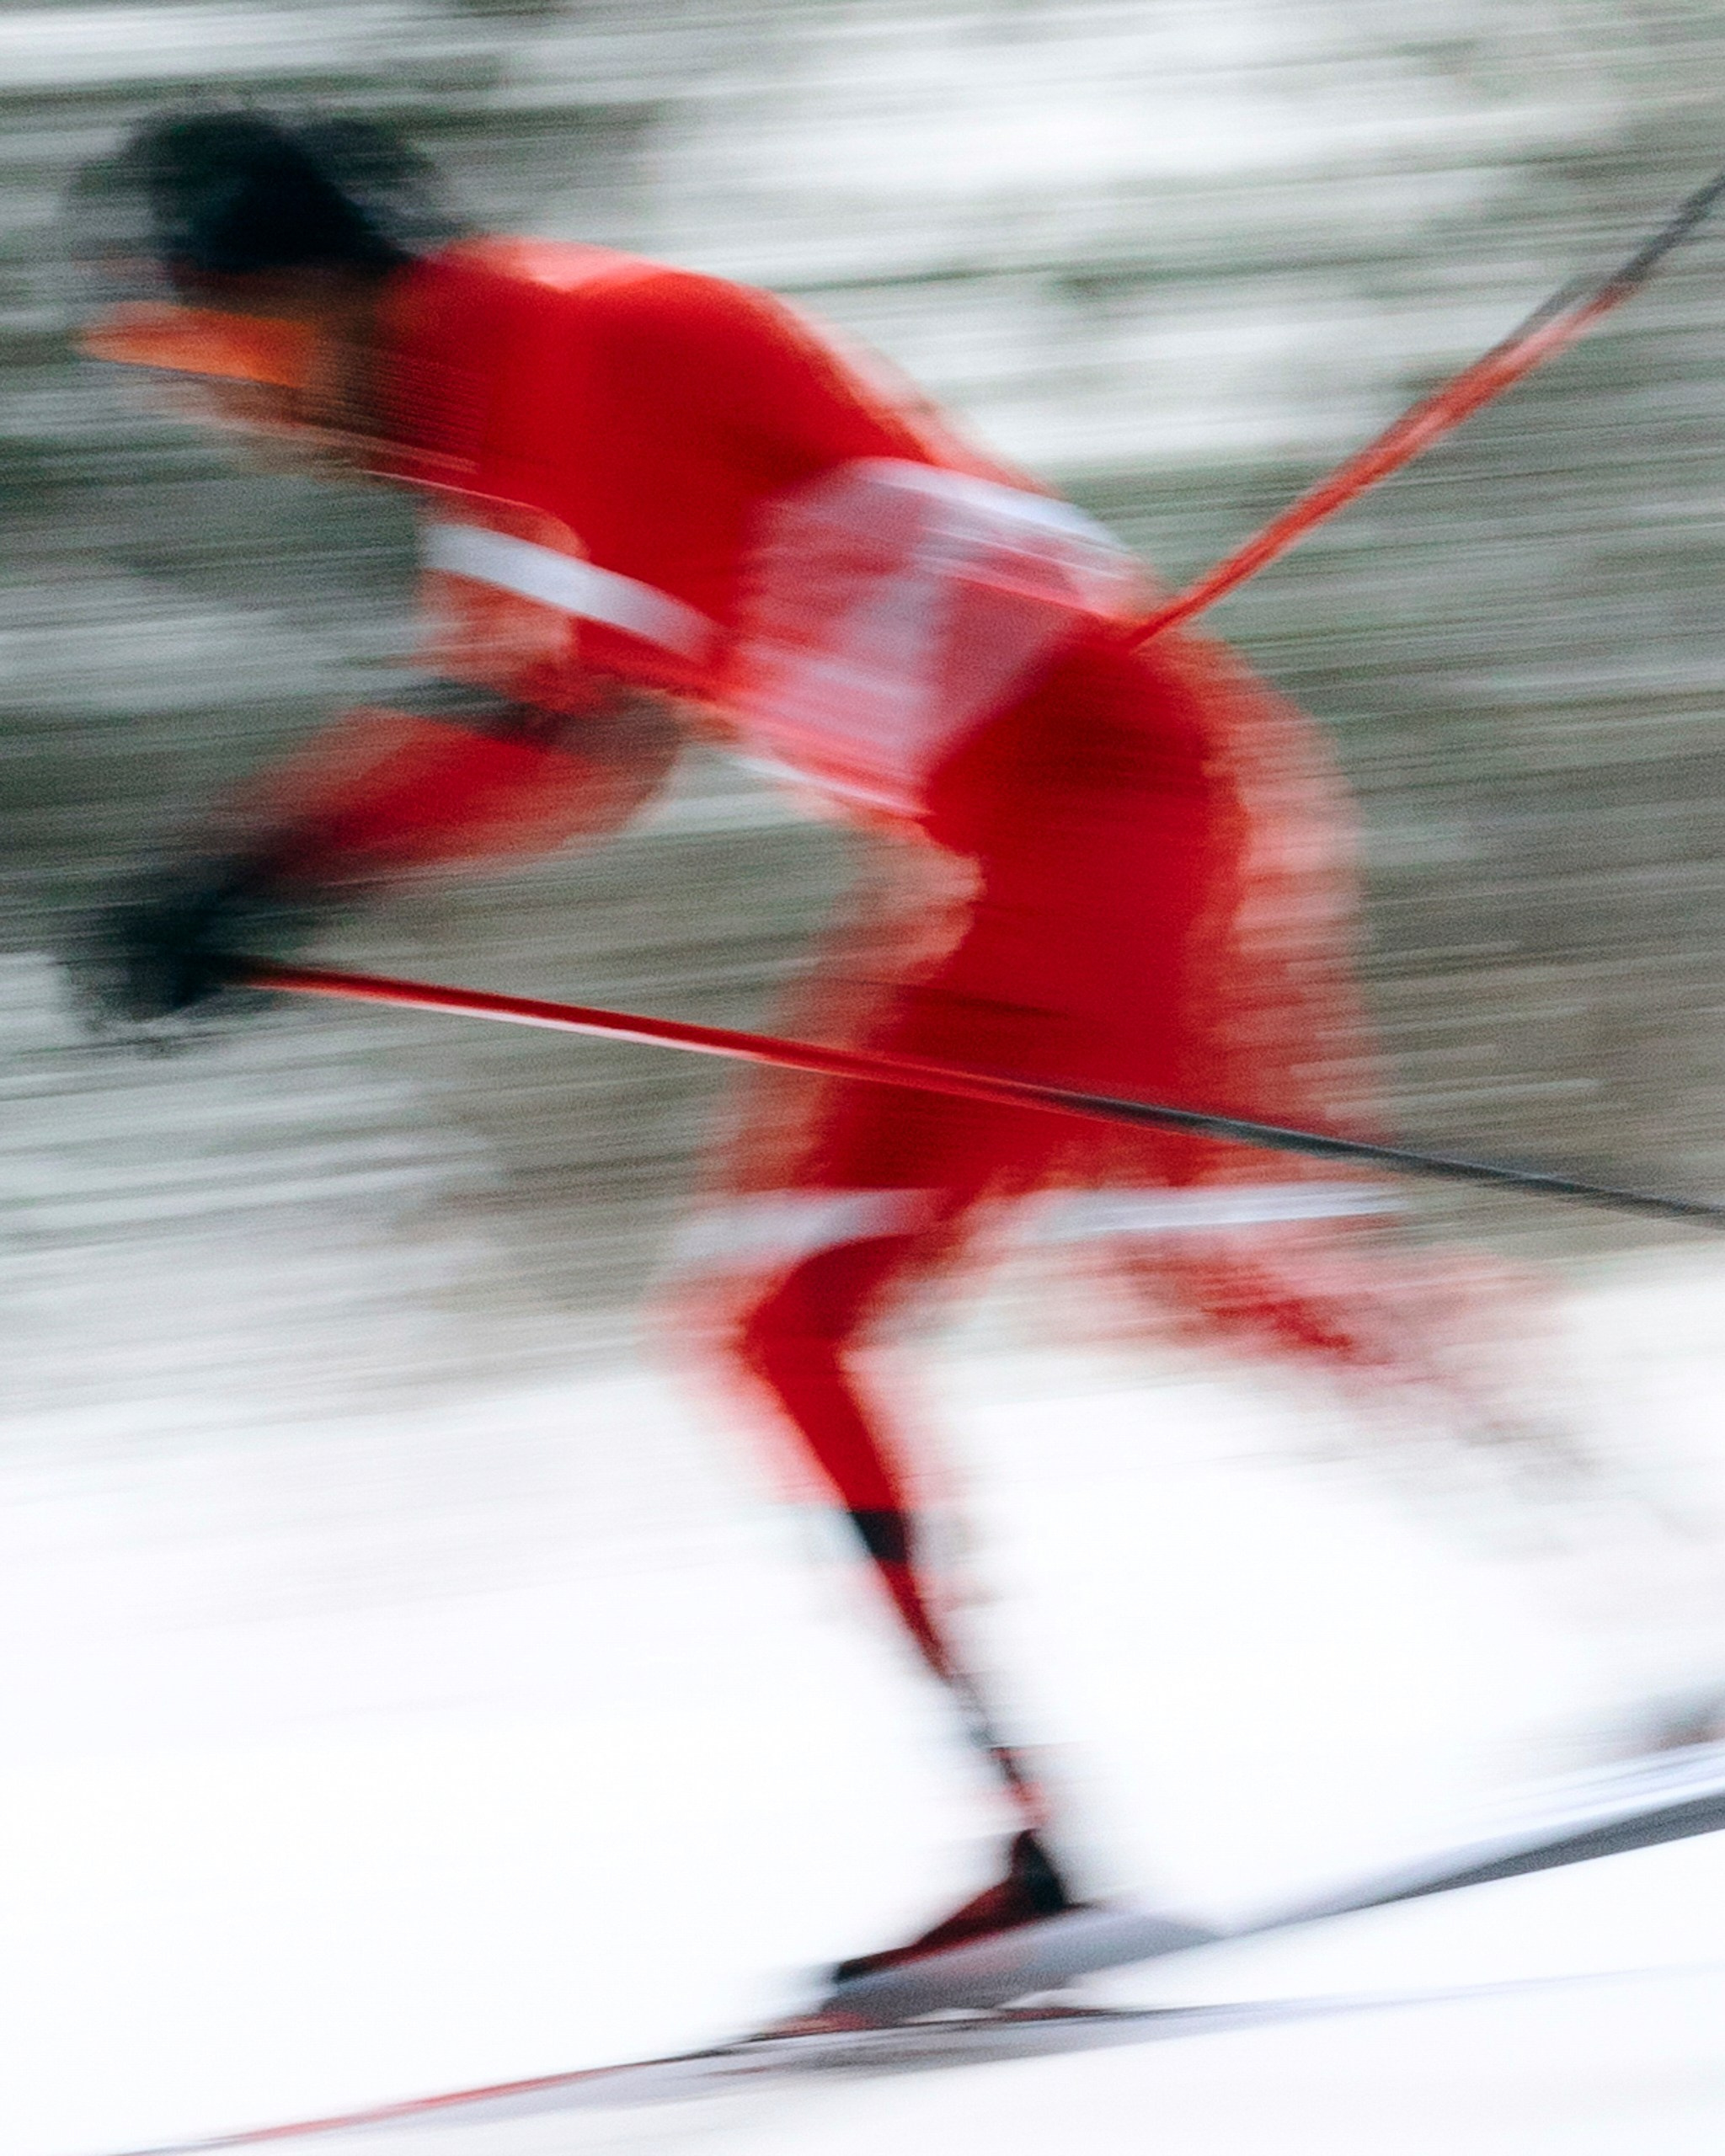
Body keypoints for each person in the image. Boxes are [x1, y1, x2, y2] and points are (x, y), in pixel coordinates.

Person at [72, 108, 1542, 1983]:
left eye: (221, 347)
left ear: (309, 283)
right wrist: (254, 876)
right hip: (1007, 848)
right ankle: (1029, 1844)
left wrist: (248, 865)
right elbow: (548, 724)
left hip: (1109, 795)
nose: (225, 401)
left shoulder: (566, 338)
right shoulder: (493, 424)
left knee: (1191, 1263)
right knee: (784, 1318)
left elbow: (560, 737)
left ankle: (1659, 1596)